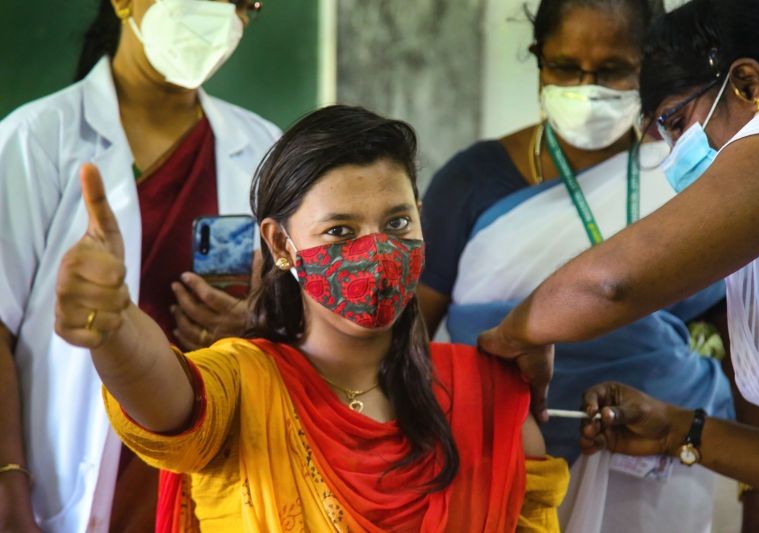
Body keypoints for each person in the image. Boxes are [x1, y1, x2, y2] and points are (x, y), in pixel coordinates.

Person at [53, 105, 569, 531]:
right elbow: (160, 392)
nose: (377, 251)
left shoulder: (489, 397)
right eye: (341, 232)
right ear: (281, 244)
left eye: (396, 222)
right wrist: (115, 327)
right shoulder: (241, 385)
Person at [417, 0, 759, 530]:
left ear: (648, 64)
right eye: (564, 68)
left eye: (610, 71)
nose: (585, 87)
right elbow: (407, 334)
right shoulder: (472, 179)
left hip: (666, 465)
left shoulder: (685, 169)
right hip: (495, 460)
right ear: (538, 60)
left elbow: (750, 351)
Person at [0, 0, 280, 530]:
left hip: (216, 473)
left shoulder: (265, 148)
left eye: (242, 4)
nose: (218, 16)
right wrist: (7, 478)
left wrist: (256, 328)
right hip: (67, 471)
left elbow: (304, 328)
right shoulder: (35, 139)